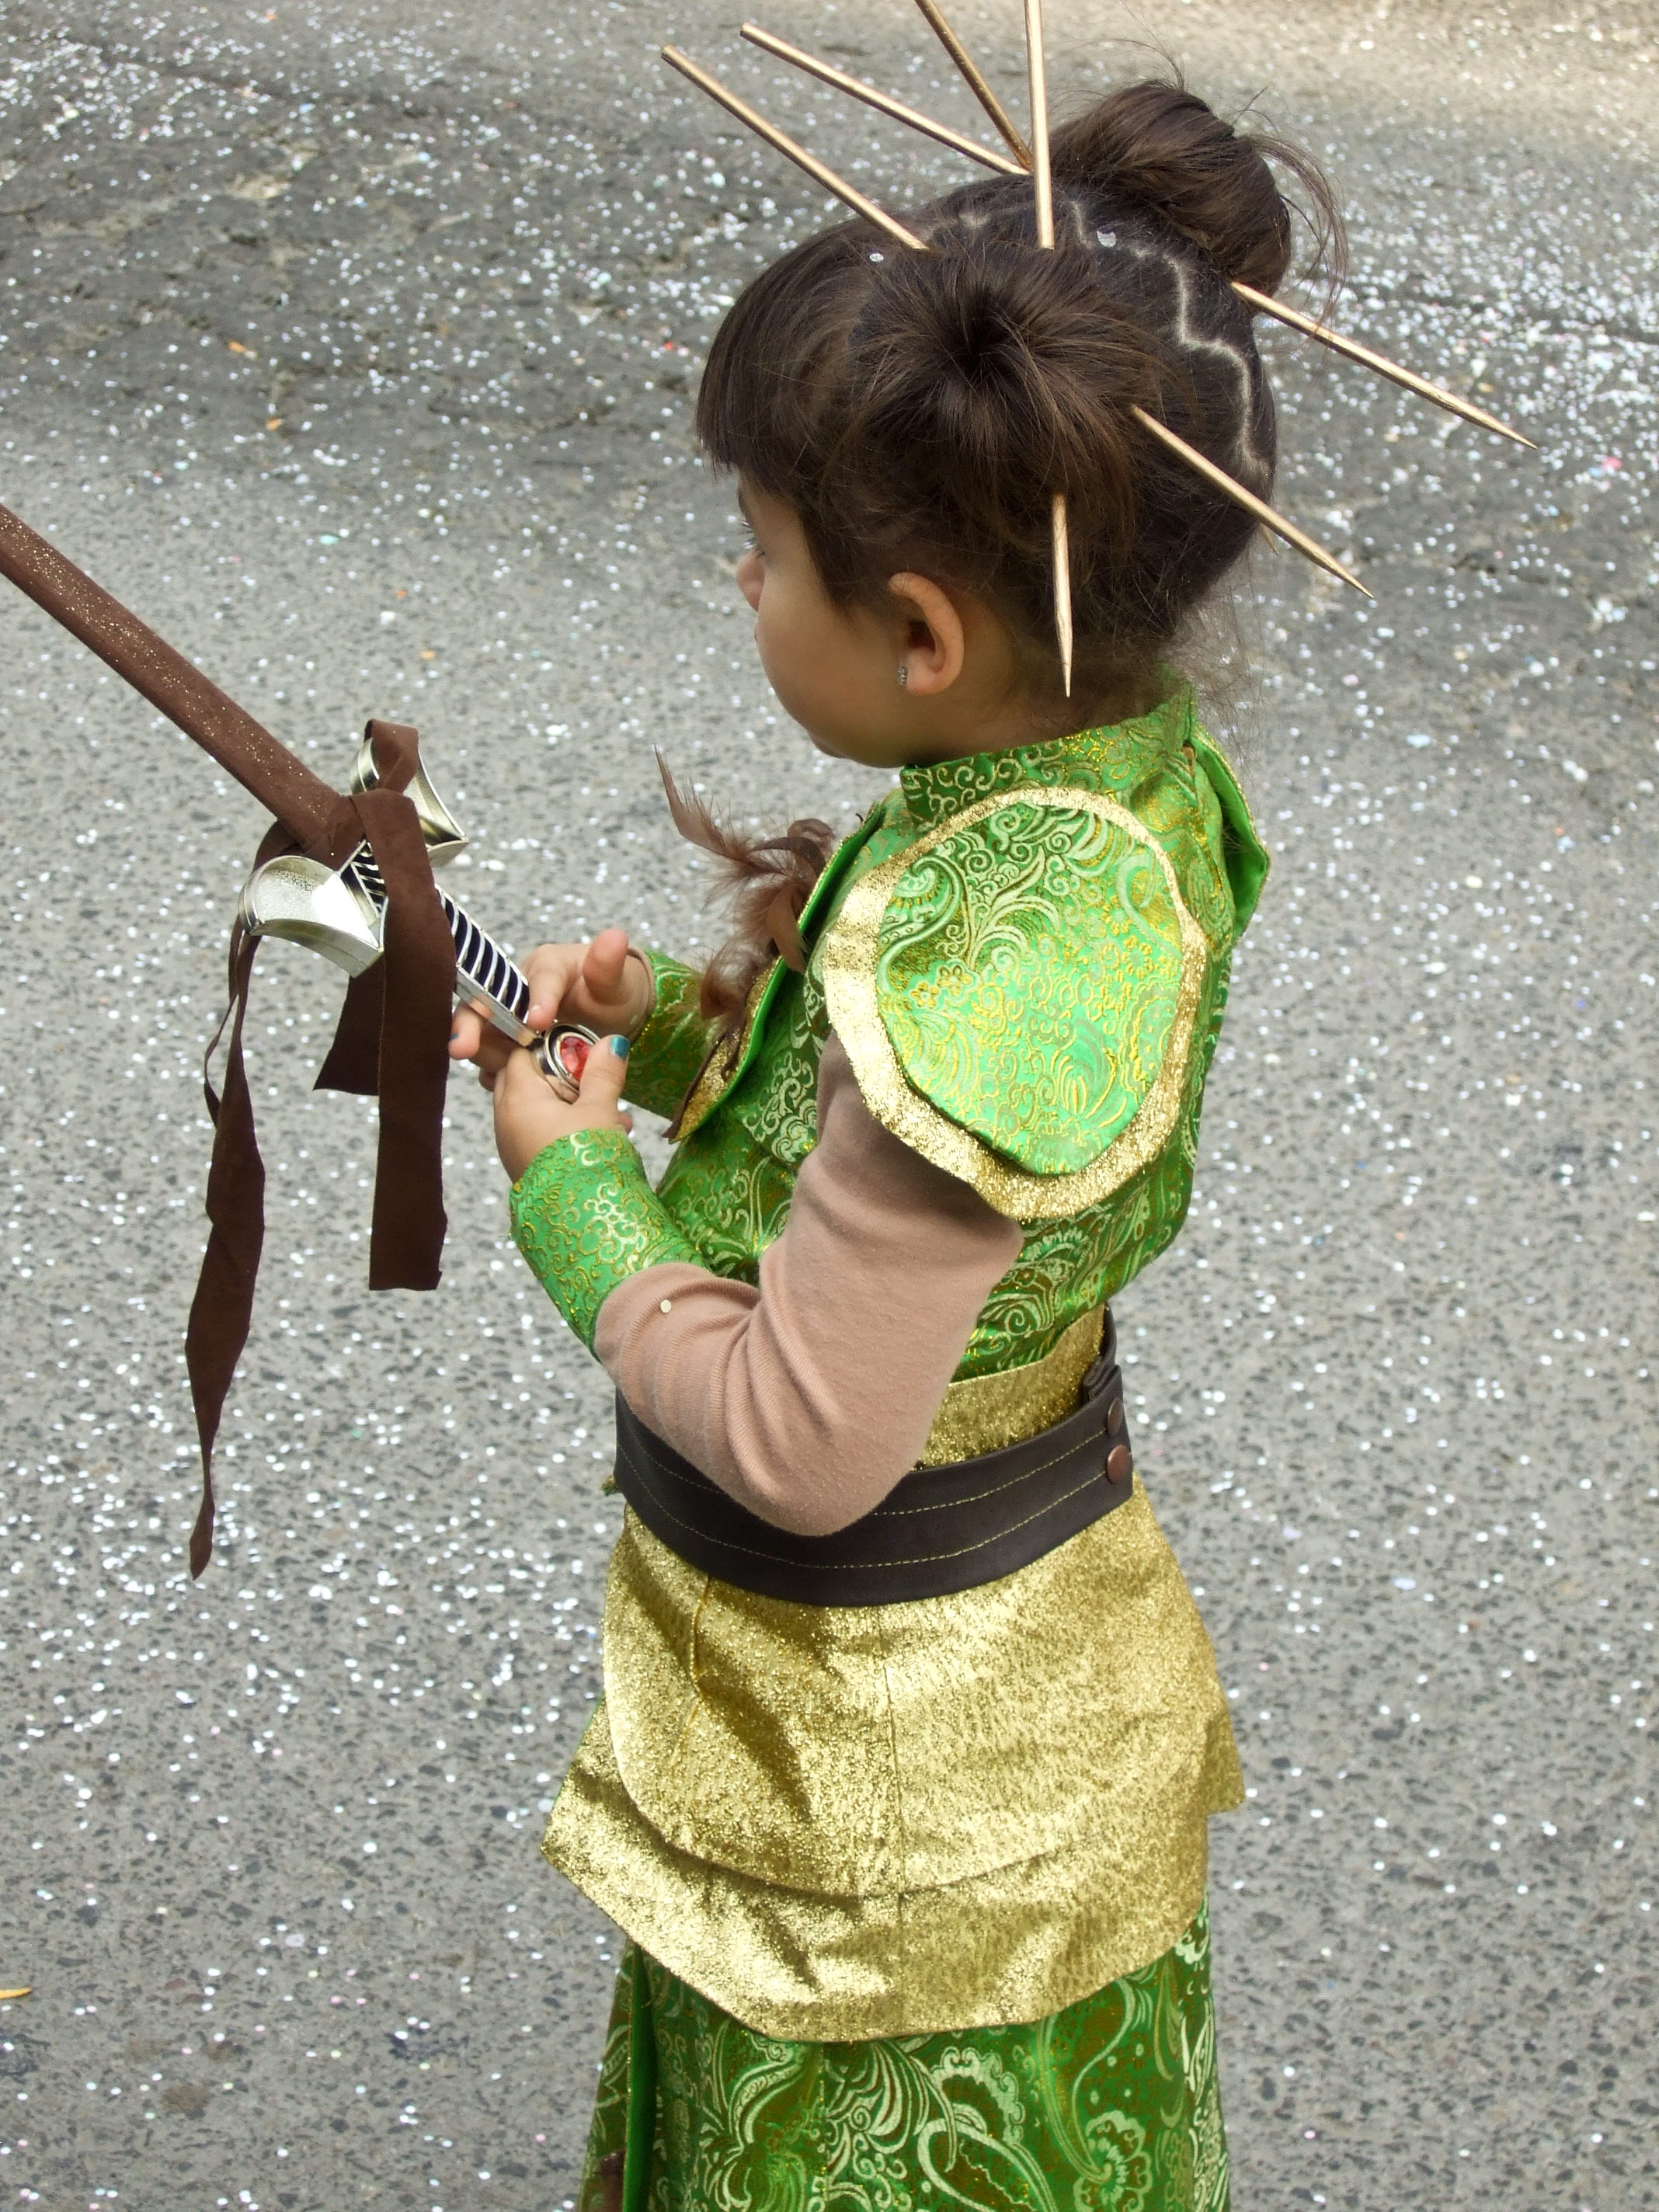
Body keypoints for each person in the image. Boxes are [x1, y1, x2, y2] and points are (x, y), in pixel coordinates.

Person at [451, 77, 1338, 2212]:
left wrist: (571, 1190)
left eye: (765, 552)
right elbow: (890, 1145)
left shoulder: (1002, 966)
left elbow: (800, 1435)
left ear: (926, 633)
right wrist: (678, 1034)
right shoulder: (1088, 791)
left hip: (897, 1830)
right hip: (957, 1743)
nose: (742, 579)